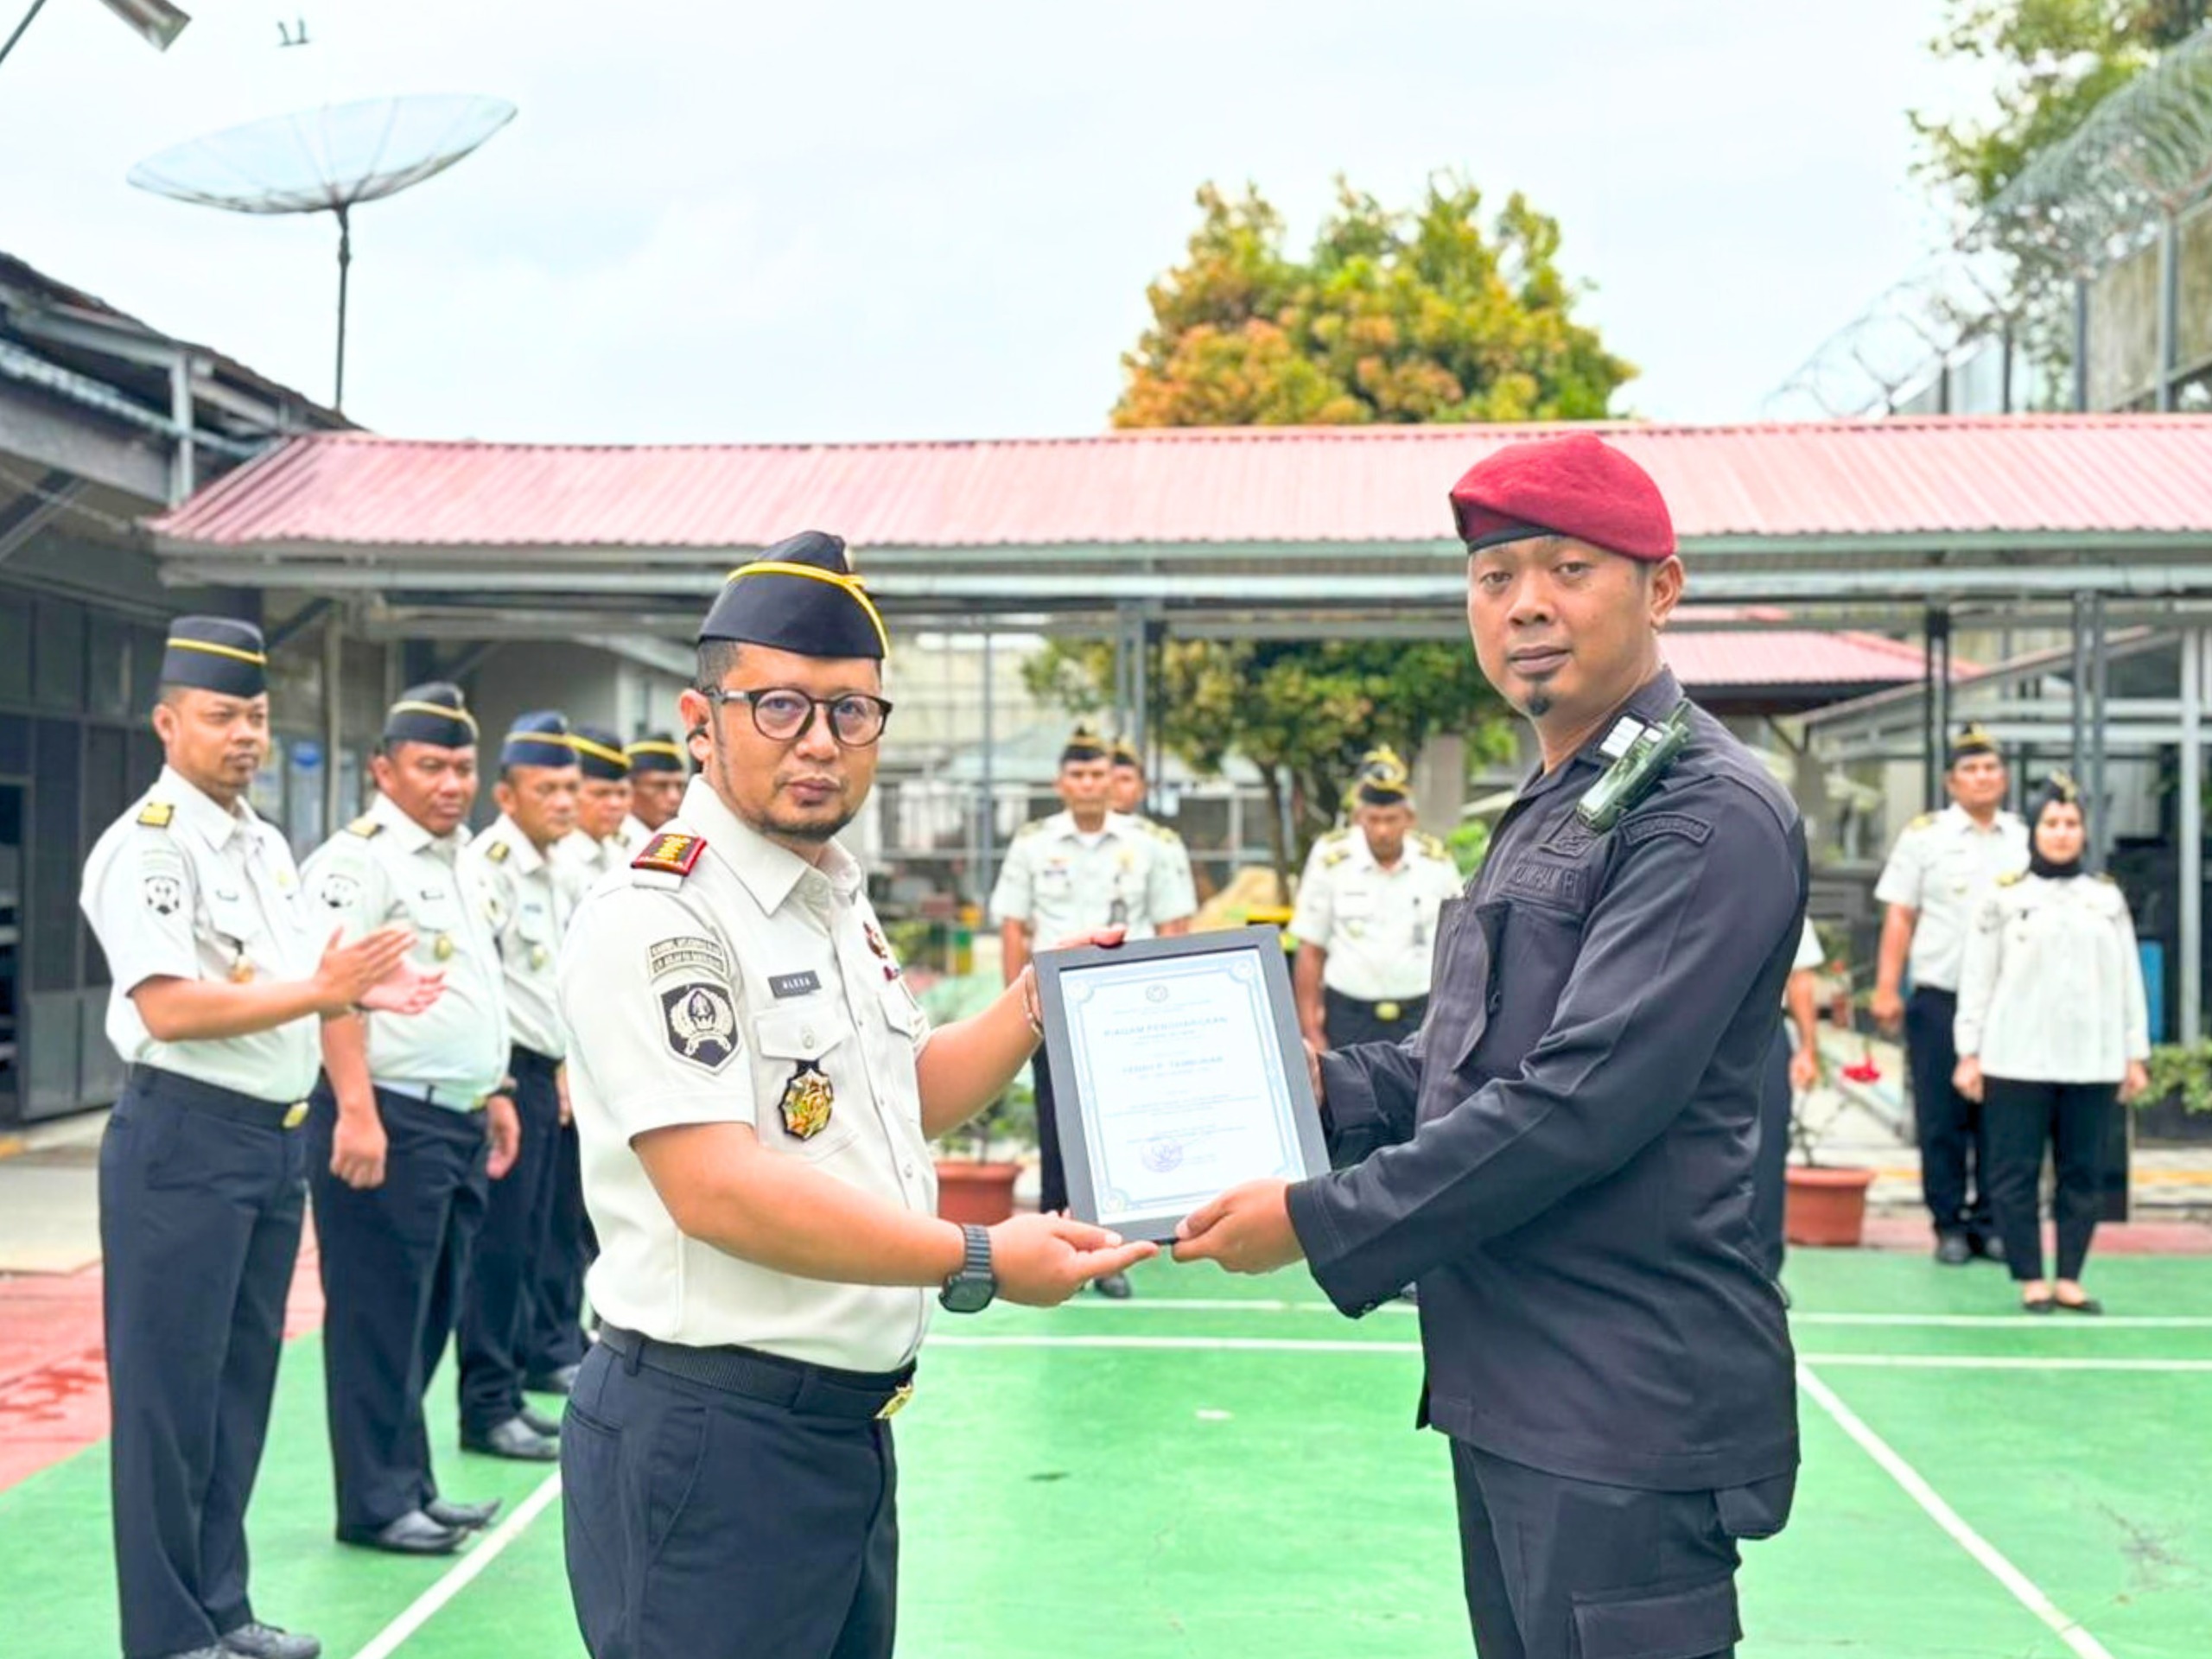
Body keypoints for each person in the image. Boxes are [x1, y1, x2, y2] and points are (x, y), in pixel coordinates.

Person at [1175, 433, 1805, 1659]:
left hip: (1622, 1401)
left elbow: (1583, 1100)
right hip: (1517, 1387)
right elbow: (1474, 1058)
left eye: (1570, 569)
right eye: (1494, 576)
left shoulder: (1701, 814)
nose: (1525, 604)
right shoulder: (1562, 799)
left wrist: (1316, 1220)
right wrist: (1312, 1086)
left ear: (1661, 589)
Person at [557, 529, 1152, 1659]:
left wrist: (1035, 1001)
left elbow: (890, 1103)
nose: (820, 742)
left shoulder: (829, 897)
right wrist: (976, 1258)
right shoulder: (664, 916)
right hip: (711, 1439)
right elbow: (719, 1188)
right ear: (702, 724)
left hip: (840, 1437)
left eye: (852, 711)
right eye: (780, 706)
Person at [80, 617, 437, 1659]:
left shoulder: (266, 842)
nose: (244, 735)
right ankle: (167, 1633)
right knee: (167, 1404)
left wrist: (363, 989)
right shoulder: (147, 845)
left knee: (237, 1392)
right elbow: (169, 1007)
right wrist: (325, 988)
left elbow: (304, 980)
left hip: (269, 1146)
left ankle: (224, 1612)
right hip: (183, 1142)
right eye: (221, 715)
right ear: (167, 721)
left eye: (256, 716)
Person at [301, 683, 520, 1556]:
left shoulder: (455, 858)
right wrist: (354, 1109)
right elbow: (331, 991)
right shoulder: (359, 865)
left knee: (427, 1314)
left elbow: (471, 988)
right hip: (386, 1118)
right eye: (430, 766)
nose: (450, 783)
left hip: (453, 1120)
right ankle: (375, 1503)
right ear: (383, 770)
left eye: (464, 767)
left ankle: (412, 1483)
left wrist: (492, 1091)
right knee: (377, 1318)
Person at [990, 726, 1193, 1298]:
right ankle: (1059, 1240)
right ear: (1061, 783)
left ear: (1114, 782)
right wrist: (1017, 1005)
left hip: (1128, 1008)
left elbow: (1173, 922)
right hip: (1056, 1003)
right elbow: (1013, 924)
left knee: (1123, 1126)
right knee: (1058, 1126)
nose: (1088, 784)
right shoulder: (1033, 843)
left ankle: (1114, 1251)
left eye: (1098, 774)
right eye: (1077, 774)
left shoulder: (1150, 843)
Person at [1954, 775, 2151, 1315]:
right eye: (2051, 823)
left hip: (2093, 1060)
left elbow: (2128, 980)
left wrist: (2135, 1053)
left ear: (2084, 832)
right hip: (2015, 1057)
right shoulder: (2005, 897)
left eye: (2071, 824)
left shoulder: (2105, 898)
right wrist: (1969, 1052)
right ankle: (2029, 1277)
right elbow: (1979, 979)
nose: (2062, 834)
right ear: (2034, 830)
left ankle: (2069, 1276)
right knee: (2013, 1172)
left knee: (2083, 1173)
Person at [455, 711, 581, 1460]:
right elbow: (486, 985)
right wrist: (502, 1081)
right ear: (507, 794)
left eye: (570, 787)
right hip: (505, 1080)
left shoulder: (554, 868)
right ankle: (485, 1403)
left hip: (545, 1076)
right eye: (547, 788)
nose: (563, 801)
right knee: (498, 1249)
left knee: (535, 1241)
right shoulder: (489, 868)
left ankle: (506, 1391)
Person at [1871, 725, 2029, 1264]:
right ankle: (1949, 1226)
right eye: (1970, 769)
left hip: (2008, 1002)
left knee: (2001, 1116)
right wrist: (1888, 987)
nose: (1982, 778)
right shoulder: (1925, 837)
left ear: (2003, 778)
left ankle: (1991, 1222)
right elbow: (1900, 914)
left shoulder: (2022, 838)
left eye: (1990, 768)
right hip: (1940, 997)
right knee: (1941, 1118)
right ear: (1951, 781)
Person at [526, 724, 631, 1392]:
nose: (603, 805)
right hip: (541, 1072)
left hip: (586, 1064)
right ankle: (541, 1352)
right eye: (562, 789)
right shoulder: (545, 867)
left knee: (573, 1224)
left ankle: (565, 1337)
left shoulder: (604, 861)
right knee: (539, 1234)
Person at [1288, 746, 1463, 1052]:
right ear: (1358, 817)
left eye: (1391, 818)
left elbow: (1459, 946)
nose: (1382, 830)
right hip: (1349, 1016)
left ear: (1409, 818)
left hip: (1420, 1016)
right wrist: (1311, 1031)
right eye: (1373, 819)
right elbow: (1310, 951)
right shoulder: (1331, 859)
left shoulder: (1436, 862)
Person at [1752, 920, 1827, 1280]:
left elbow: (1800, 978)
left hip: (1764, 1027)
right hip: (1694, 1024)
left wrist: (1808, 1050)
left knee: (1767, 1148)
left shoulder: (1781, 881)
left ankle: (1764, 1271)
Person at [1108, 735, 1198, 917]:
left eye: (1125, 779)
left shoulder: (1163, 844)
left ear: (1142, 789)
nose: (1114, 787)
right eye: (1107, 778)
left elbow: (1177, 918)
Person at [557, 724, 635, 885]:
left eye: (622, 793)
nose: (615, 804)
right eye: (601, 793)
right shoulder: (558, 857)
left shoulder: (622, 851)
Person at [620, 732, 689, 850]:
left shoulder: (684, 840)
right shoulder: (612, 845)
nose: (674, 797)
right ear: (629, 789)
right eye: (660, 786)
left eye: (680, 786)